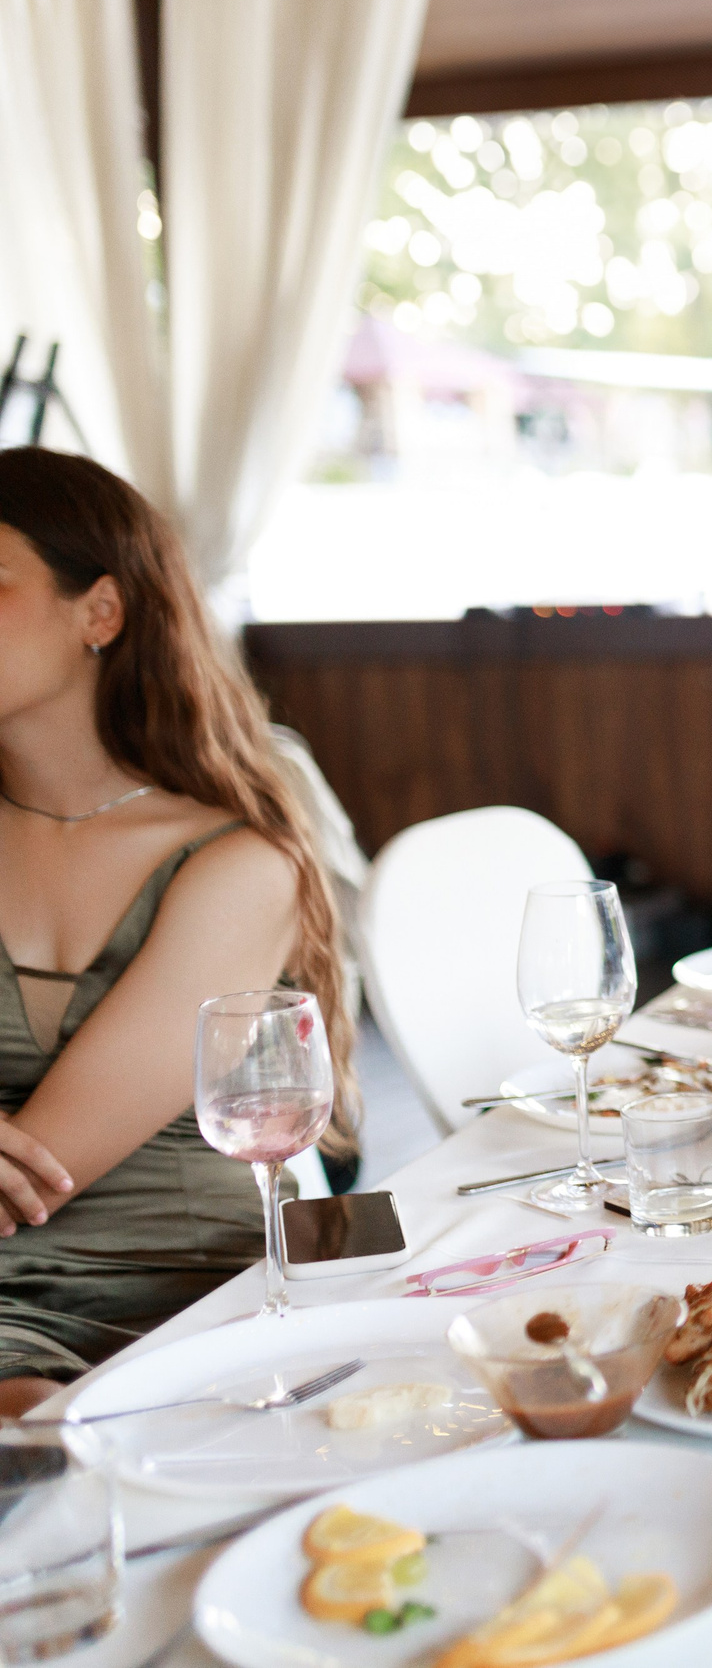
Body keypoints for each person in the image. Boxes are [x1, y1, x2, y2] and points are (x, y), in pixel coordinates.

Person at [0, 448, 358, 1416]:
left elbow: (42, 1167)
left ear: (101, 613)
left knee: (42, 1437)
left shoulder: (239, 864)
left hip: (187, 1295)